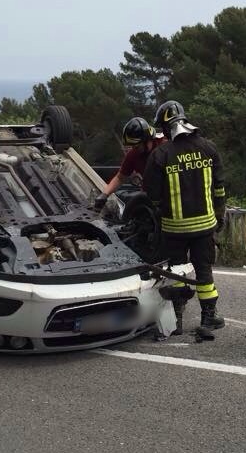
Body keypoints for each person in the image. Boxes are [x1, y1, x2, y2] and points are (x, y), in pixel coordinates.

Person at [143, 100, 226, 339]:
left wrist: (161, 210)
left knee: (177, 274)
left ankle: (177, 320)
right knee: (204, 270)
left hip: (174, 229)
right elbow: (219, 189)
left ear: (166, 127)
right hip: (204, 226)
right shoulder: (209, 148)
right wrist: (219, 216)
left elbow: (151, 194)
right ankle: (208, 318)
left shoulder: (160, 154)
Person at [94, 117, 165, 209]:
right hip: (151, 196)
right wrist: (104, 195)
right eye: (132, 146)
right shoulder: (134, 154)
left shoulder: (165, 145)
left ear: (147, 140)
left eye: (136, 146)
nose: (134, 149)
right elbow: (120, 178)